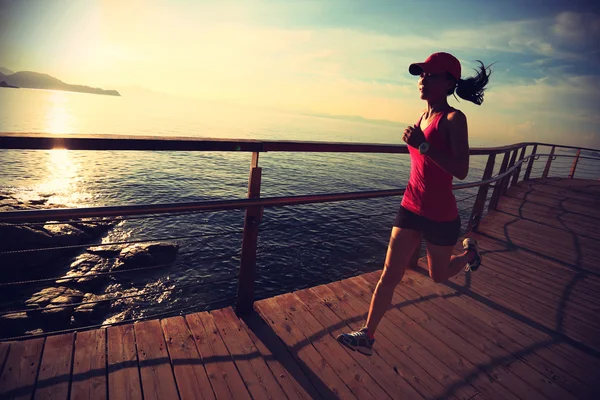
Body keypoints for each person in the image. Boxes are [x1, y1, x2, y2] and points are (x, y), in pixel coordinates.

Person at [336, 52, 493, 356]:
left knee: (438, 274)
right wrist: (420, 142)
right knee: (389, 274)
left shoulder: (453, 119)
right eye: (421, 75)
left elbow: (461, 169)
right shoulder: (421, 117)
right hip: (410, 207)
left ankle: (469, 253)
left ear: (448, 82)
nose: (422, 80)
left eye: (430, 75)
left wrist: (423, 144)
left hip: (440, 215)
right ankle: (367, 336)